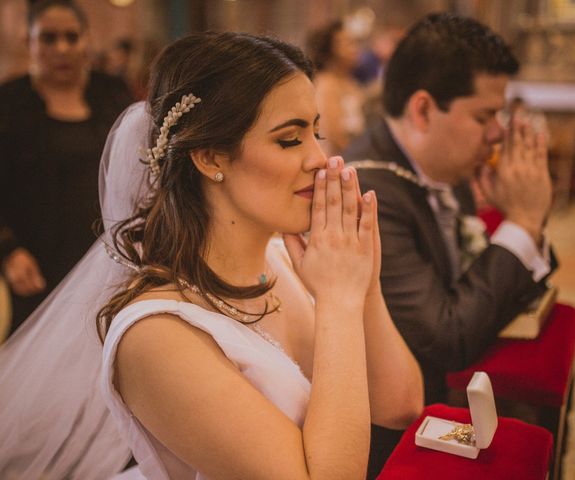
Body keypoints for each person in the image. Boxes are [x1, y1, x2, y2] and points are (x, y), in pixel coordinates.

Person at [99, 32, 421, 478]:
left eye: (317, 132)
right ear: (211, 157)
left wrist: (363, 286)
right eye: (290, 140)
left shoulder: (283, 260)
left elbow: (401, 407)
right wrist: (339, 301)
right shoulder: (156, 336)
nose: (321, 159)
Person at [343, 13, 557, 476]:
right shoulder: (367, 195)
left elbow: (479, 294)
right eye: (484, 115)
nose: (498, 132)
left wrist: (526, 228)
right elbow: (448, 338)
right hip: (384, 436)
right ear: (423, 110)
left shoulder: (442, 168)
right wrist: (521, 223)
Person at [0, 0, 133, 336]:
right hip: (35, 260)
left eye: (71, 37)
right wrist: (8, 250)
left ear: (86, 40)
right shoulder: (8, 103)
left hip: (106, 255)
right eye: (48, 38)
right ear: (28, 42)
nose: (61, 48)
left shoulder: (113, 94)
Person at [306, 20, 365, 157]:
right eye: (347, 43)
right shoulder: (326, 84)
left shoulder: (350, 82)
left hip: (353, 154)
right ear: (329, 50)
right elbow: (335, 136)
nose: (355, 48)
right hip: (337, 159)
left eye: (354, 42)